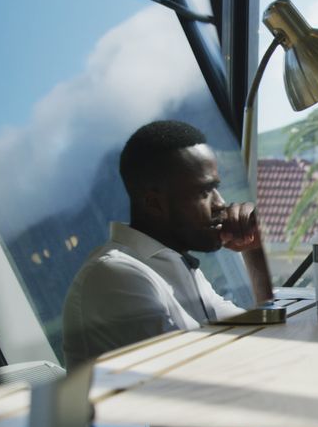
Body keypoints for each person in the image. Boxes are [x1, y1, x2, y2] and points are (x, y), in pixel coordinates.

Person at [62, 120, 266, 368]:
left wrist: (254, 249)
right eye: (205, 192)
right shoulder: (116, 275)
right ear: (154, 203)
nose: (221, 204)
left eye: (217, 190)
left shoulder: (175, 264)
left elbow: (260, 337)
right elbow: (197, 377)